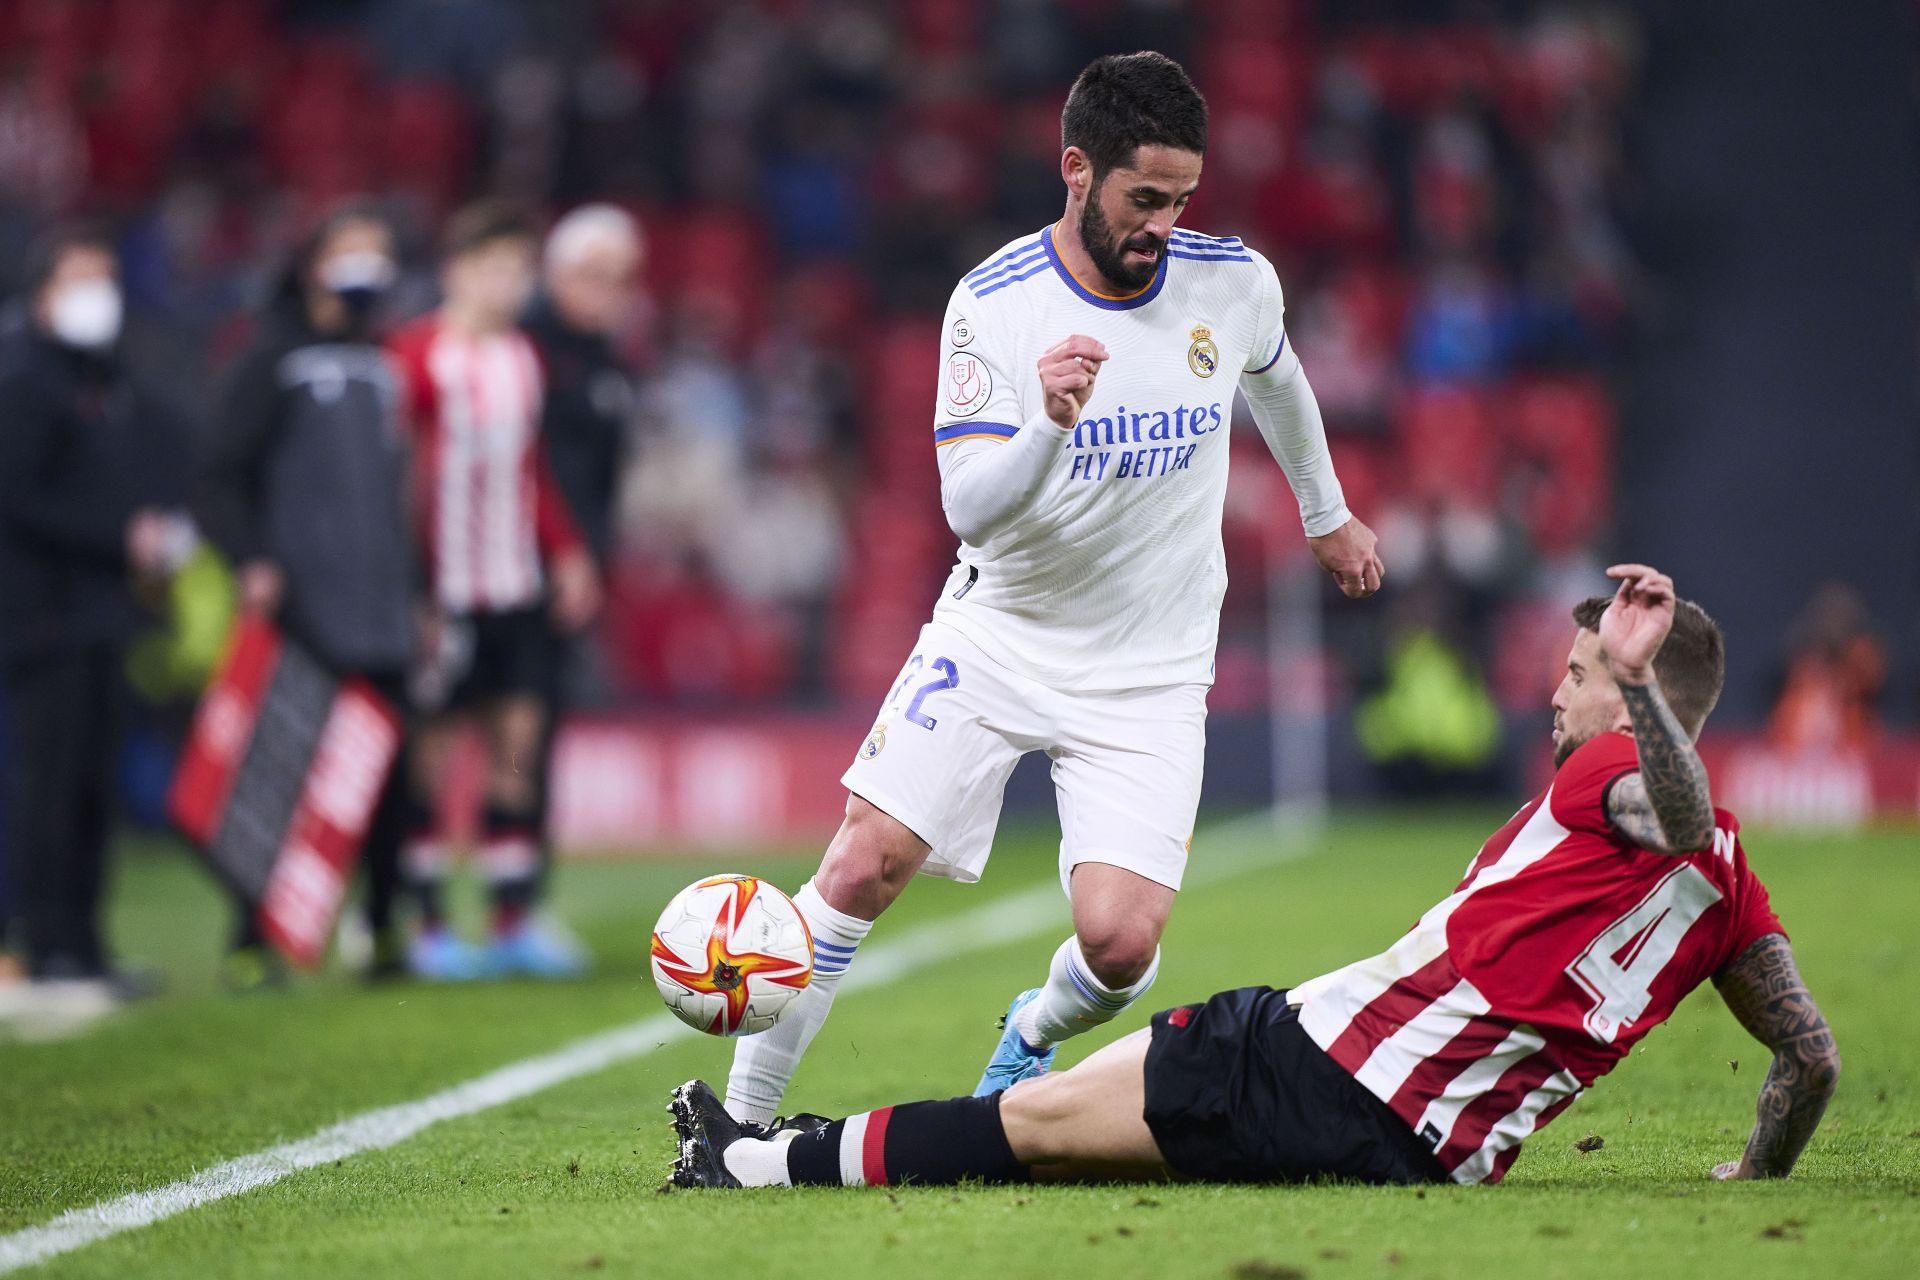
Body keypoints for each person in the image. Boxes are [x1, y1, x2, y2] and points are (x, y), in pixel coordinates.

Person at [672, 566, 1840, 1190]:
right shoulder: (1735, 887)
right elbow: (1810, 1055)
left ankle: (757, 1158)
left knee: (1025, 1125)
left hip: (1323, 1065)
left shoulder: (1612, 770)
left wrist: (1628, 695)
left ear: (1647, 696)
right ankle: (819, 1136)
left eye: (1584, 672)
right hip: (1438, 1153)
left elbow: (1671, 806)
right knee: (1065, 1136)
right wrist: (1754, 1170)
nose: (1560, 693)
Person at [722, 51, 1385, 1129]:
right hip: (1004, 632)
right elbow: (970, 506)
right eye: (1144, 198)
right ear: (1077, 170)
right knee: (861, 860)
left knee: (1122, 945)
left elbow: (1279, 377)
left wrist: (1326, 511)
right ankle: (740, 1121)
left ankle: (1027, 1031)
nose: (1165, 222)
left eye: (1181, 199)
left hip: (1151, 670)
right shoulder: (994, 304)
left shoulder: (1234, 279)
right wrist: (1048, 420)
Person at [196, 202, 416, 986]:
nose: (367, 267)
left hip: (382, 601)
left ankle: (385, 926)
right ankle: (249, 937)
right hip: (302, 599)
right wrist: (252, 558)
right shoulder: (270, 357)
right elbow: (218, 476)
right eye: (351, 250)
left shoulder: (387, 363)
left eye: (378, 251)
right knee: (280, 770)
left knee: (390, 774)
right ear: (312, 262)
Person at [386, 201, 601, 980]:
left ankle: (513, 922)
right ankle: (431, 925)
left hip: (514, 587)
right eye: (494, 268)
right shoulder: (413, 358)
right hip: (442, 591)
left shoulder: (522, 359)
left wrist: (567, 553)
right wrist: (403, 584)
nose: (508, 285)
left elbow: (528, 470)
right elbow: (393, 477)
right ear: (457, 272)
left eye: (518, 270)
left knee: (517, 749)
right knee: (433, 759)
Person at [0, 225, 195, 1004]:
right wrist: (122, 535)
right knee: (47, 786)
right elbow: (16, 498)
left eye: (105, 277)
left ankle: (84, 943)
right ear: (43, 292)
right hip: (43, 616)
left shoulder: (111, 384)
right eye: (81, 278)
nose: (97, 294)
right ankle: (44, 943)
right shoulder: (25, 383)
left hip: (105, 614)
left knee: (92, 786)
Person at [518, 204, 642, 954]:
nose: (605, 292)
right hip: (500, 572)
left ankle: (519, 905)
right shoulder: (524, 351)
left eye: (618, 280)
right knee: (450, 741)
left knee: (535, 734)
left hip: (565, 580)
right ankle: (408, 912)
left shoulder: (606, 362)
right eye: (591, 276)